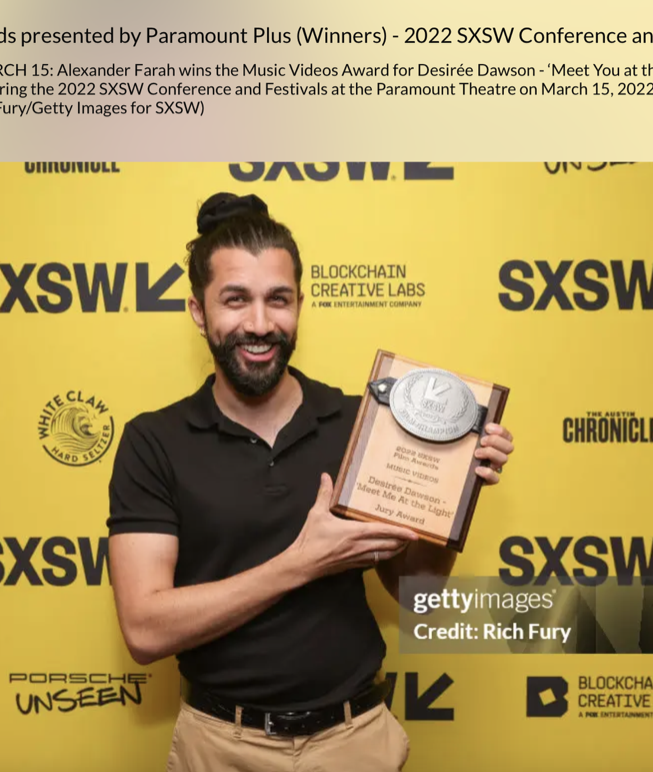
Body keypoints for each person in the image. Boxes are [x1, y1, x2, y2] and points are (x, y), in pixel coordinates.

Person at [106, 192, 514, 771]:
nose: (259, 324)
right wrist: (300, 563)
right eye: (235, 300)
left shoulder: (363, 425)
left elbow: (415, 595)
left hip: (355, 741)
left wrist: (451, 491)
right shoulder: (154, 441)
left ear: (299, 304)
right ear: (199, 311)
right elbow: (145, 630)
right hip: (221, 747)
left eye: (279, 300)